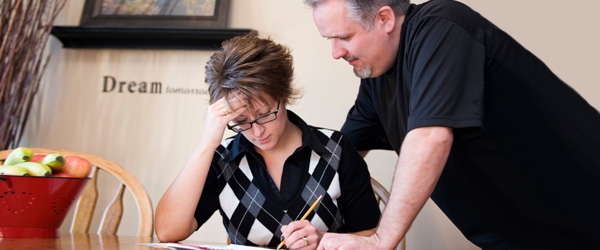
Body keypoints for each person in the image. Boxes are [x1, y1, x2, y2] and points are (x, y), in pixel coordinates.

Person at [303, 0, 600, 249]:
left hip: (584, 215)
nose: (336, 52)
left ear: (384, 18)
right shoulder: (376, 78)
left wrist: (380, 240)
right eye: (330, 40)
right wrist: (300, 220)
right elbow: (338, 160)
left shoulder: (442, 26)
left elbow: (431, 137)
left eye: (345, 37)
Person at [154, 32, 381, 249]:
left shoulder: (335, 149)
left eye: (264, 114)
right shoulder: (223, 160)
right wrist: (207, 143)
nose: (257, 131)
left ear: (283, 96)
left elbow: (371, 235)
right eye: (241, 120)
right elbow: (167, 232)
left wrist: (322, 241)